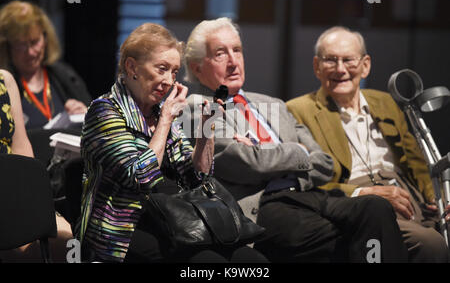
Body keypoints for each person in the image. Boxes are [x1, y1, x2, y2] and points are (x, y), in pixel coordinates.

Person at [182, 17, 408, 262]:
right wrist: (297, 152)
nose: (233, 61)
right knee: (348, 237)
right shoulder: (197, 109)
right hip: (263, 206)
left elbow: (324, 163)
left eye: (236, 50)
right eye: (220, 54)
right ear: (196, 68)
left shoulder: (274, 104)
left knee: (375, 207)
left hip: (306, 193)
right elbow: (243, 162)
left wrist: (270, 156)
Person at [73, 23, 268, 263]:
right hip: (123, 229)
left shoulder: (158, 112)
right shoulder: (105, 111)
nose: (169, 81)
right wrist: (165, 120)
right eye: (162, 69)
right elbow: (140, 177)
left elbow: (196, 178)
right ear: (131, 66)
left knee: (252, 260)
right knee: (208, 263)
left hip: (173, 219)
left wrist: (207, 128)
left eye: (174, 72)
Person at [286, 26, 449, 262]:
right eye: (331, 60)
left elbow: (417, 163)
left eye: (349, 60)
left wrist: (438, 197)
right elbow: (307, 182)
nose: (340, 69)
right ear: (316, 67)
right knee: (432, 245)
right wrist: (364, 192)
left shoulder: (385, 101)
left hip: (408, 194)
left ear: (365, 65)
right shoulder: (299, 110)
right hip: (359, 201)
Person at [0, 69, 73, 263]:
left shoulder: (4, 79)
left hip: (13, 192)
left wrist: (34, 203)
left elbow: (21, 146)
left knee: (71, 242)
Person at [0, 0, 91, 130]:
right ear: (6, 47)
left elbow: (96, 126)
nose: (30, 52)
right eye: (21, 45)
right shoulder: (3, 86)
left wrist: (84, 113)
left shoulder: (65, 75)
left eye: (35, 41)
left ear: (45, 38)